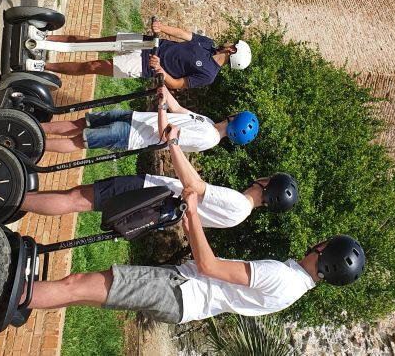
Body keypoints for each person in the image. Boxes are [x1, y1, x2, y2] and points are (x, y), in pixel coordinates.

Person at [23, 188, 366, 324]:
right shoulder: (292, 289)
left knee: (77, 284)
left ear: (324, 251)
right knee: (82, 294)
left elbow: (209, 266)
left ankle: (3, 295)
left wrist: (193, 219)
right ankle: (21, 300)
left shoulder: (283, 276)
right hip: (184, 299)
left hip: (179, 289)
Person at [21, 123, 298, 226]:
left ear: (265, 183)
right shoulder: (239, 216)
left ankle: (14, 199)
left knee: (77, 199)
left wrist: (174, 144)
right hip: (154, 206)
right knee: (80, 200)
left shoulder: (238, 202)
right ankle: (18, 198)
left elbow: (193, 185)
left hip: (150, 192)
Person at [25, 19, 251, 90]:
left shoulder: (209, 74)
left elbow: (178, 84)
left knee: (93, 66)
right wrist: (162, 28)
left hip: (144, 65)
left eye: (233, 43)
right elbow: (184, 35)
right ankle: (45, 40)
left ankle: (43, 67)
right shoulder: (209, 44)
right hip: (148, 42)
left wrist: (160, 69)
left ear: (232, 51)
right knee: (94, 42)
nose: (229, 41)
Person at [39, 86, 258, 154]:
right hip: (136, 118)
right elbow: (179, 110)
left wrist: (161, 105)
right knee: (82, 123)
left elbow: (166, 134)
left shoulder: (209, 137)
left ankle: (33, 145)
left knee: (80, 140)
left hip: (132, 136)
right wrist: (165, 90)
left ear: (233, 119)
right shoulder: (208, 123)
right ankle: (34, 127)